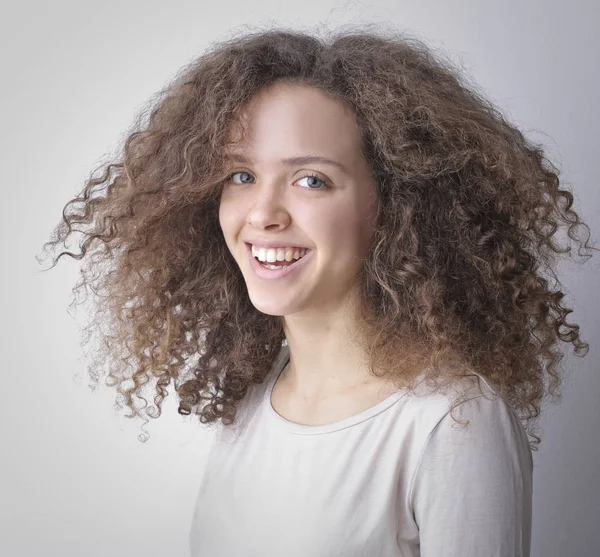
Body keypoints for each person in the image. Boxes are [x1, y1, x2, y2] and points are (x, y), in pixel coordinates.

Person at [39, 26, 596, 557]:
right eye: (241, 176)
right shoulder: (257, 394)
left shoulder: (452, 423)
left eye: (311, 180)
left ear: (395, 207)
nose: (261, 213)